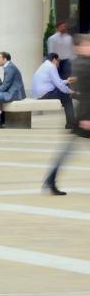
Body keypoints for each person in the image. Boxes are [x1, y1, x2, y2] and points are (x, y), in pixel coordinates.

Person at [43, 34, 90, 196]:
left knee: (67, 151)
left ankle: (50, 179)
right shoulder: (82, 65)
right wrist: (85, 118)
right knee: (67, 151)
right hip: (85, 117)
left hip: (85, 116)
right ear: (78, 48)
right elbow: (85, 94)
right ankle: (50, 179)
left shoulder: (84, 63)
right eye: (87, 45)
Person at [32, 52, 76, 129]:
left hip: (40, 94)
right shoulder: (52, 67)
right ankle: (71, 124)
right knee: (67, 96)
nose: (59, 62)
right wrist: (70, 91)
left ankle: (71, 123)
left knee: (64, 93)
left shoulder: (45, 65)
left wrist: (66, 81)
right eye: (58, 60)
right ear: (54, 59)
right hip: (45, 95)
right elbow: (58, 84)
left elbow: (56, 82)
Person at [0, 52, 26, 129]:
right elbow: (6, 84)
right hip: (9, 91)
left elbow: (6, 85)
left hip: (14, 93)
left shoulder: (10, 68)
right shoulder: (8, 67)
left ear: (5, 59)